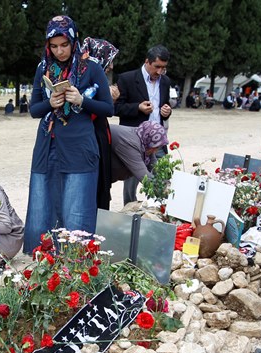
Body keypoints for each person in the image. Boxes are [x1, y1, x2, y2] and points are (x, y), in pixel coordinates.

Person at [23, 15, 113, 254]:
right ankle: (45, 263)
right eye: (54, 46)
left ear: (74, 41)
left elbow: (108, 108)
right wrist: (50, 103)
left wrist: (82, 101)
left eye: (64, 45)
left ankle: (76, 263)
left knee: (77, 208)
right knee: (44, 205)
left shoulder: (90, 68)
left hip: (79, 148)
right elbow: (34, 109)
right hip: (46, 147)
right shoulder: (43, 68)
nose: (59, 51)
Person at [114, 45, 172, 205]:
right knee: (133, 179)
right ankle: (129, 209)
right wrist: (137, 107)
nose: (160, 72)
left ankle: (161, 208)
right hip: (134, 140)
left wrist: (166, 111)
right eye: (157, 67)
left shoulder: (165, 81)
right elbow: (115, 108)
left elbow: (164, 105)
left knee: (163, 173)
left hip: (158, 140)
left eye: (164, 68)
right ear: (147, 62)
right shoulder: (127, 78)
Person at [81, 37, 119, 210]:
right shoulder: (85, 82)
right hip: (92, 141)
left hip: (101, 138)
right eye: (109, 61)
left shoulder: (98, 81)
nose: (111, 66)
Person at [109, 121, 168, 185]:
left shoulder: (144, 139)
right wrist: (163, 188)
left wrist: (165, 180)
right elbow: (143, 176)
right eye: (155, 147)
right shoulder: (130, 143)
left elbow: (154, 166)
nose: (155, 151)